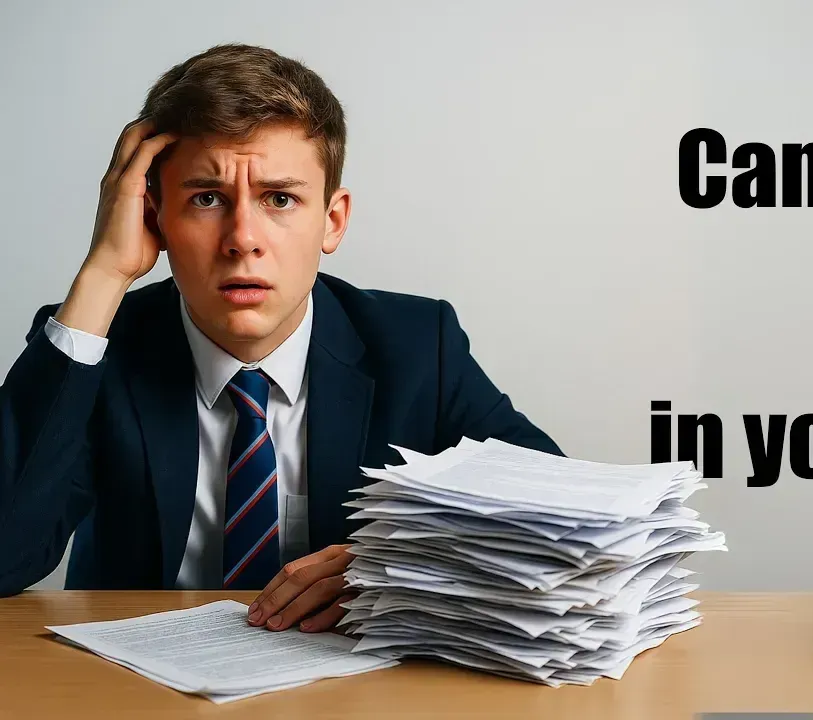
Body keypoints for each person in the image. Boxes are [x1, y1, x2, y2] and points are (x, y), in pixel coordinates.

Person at [0, 43, 562, 634]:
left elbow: (562, 520)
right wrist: (104, 272)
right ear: (154, 215)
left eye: (279, 199)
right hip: (137, 687)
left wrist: (390, 568)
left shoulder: (420, 348)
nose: (243, 238)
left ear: (333, 220)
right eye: (207, 198)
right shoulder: (94, 346)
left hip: (350, 685)